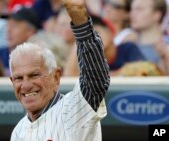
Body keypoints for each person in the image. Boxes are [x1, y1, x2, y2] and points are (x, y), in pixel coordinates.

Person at [9, 0, 110, 140]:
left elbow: (96, 79)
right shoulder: (18, 131)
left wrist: (80, 20)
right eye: (18, 78)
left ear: (55, 77)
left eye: (34, 75)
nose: (26, 85)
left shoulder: (73, 108)